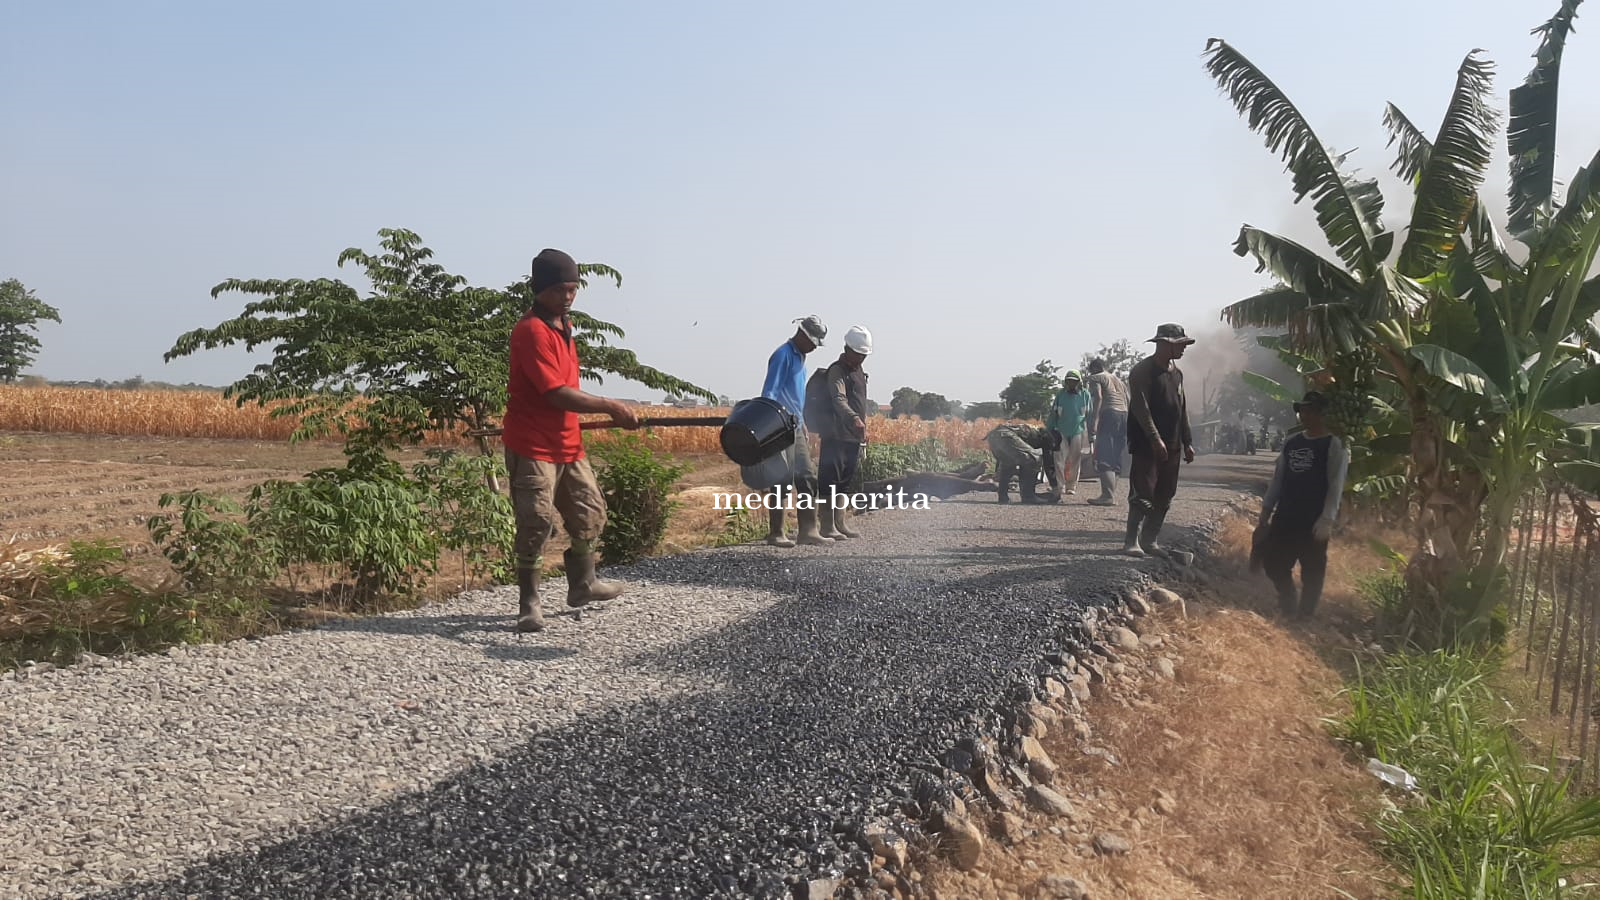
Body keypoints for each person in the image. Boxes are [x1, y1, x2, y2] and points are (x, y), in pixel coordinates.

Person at [502, 249, 640, 634]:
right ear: (540, 289)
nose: (568, 296)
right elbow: (555, 393)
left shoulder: (564, 325)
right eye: (560, 289)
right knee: (535, 522)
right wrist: (611, 405)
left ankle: (583, 583)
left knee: (589, 512)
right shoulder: (531, 331)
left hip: (568, 441)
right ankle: (529, 603)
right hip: (533, 444)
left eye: (573, 289)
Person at [1255, 391, 1349, 620]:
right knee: (1273, 563)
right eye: (1303, 411)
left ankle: (1305, 615)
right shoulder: (1292, 442)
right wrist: (1266, 511)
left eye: (1311, 411)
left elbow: (1335, 485)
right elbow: (1278, 479)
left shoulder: (1334, 445)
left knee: (1312, 570)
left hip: (1314, 518)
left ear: (1323, 414)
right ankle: (1288, 598)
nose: (1305, 415)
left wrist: (1327, 519)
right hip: (1286, 514)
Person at [747, 316, 830, 547]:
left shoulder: (801, 358)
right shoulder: (783, 355)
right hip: (780, 426)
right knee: (781, 478)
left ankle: (808, 530)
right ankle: (776, 532)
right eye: (813, 342)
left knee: (807, 476)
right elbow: (770, 392)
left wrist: (802, 422)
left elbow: (795, 396)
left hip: (796, 425)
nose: (814, 347)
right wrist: (769, 426)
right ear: (802, 334)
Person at [1123, 323, 1196, 557]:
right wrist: (1155, 438)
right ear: (1164, 344)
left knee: (1165, 493)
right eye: (1180, 344)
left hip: (1172, 442)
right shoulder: (1142, 371)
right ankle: (1131, 541)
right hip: (1146, 443)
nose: (1183, 349)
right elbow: (1140, 407)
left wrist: (1187, 441)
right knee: (1142, 491)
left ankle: (1150, 540)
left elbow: (1181, 408)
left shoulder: (1177, 373)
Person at [805, 325, 873, 540]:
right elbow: (838, 399)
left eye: (864, 355)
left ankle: (840, 522)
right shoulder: (837, 371)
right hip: (835, 433)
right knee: (830, 480)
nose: (861, 358)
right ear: (847, 349)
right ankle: (827, 526)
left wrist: (861, 425)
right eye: (858, 354)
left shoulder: (859, 372)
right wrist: (854, 418)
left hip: (852, 436)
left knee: (844, 480)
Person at [1084, 358, 1129, 506]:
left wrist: (1095, 421)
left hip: (1109, 414)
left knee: (1104, 454)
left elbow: (1098, 397)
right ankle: (1110, 494)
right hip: (1124, 415)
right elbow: (1128, 400)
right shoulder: (1118, 380)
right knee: (1115, 456)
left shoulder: (1095, 378)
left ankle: (1107, 496)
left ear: (1093, 369)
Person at [985, 422, 1056, 504]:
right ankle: (1028, 496)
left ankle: (1003, 496)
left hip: (993, 436)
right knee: (1034, 459)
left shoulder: (1032, 430)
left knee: (1008, 463)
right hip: (1007, 435)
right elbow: (1048, 463)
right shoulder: (1047, 438)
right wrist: (1055, 486)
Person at [1045, 370, 1091, 498]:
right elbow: (1053, 413)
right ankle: (1060, 486)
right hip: (1061, 430)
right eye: (1069, 381)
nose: (1071, 384)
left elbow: (1090, 414)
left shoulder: (1085, 395)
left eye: (1074, 381)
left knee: (1075, 459)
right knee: (1059, 459)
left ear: (1079, 382)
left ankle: (1071, 486)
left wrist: (1091, 432)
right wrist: (1049, 429)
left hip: (1078, 430)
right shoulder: (1061, 395)